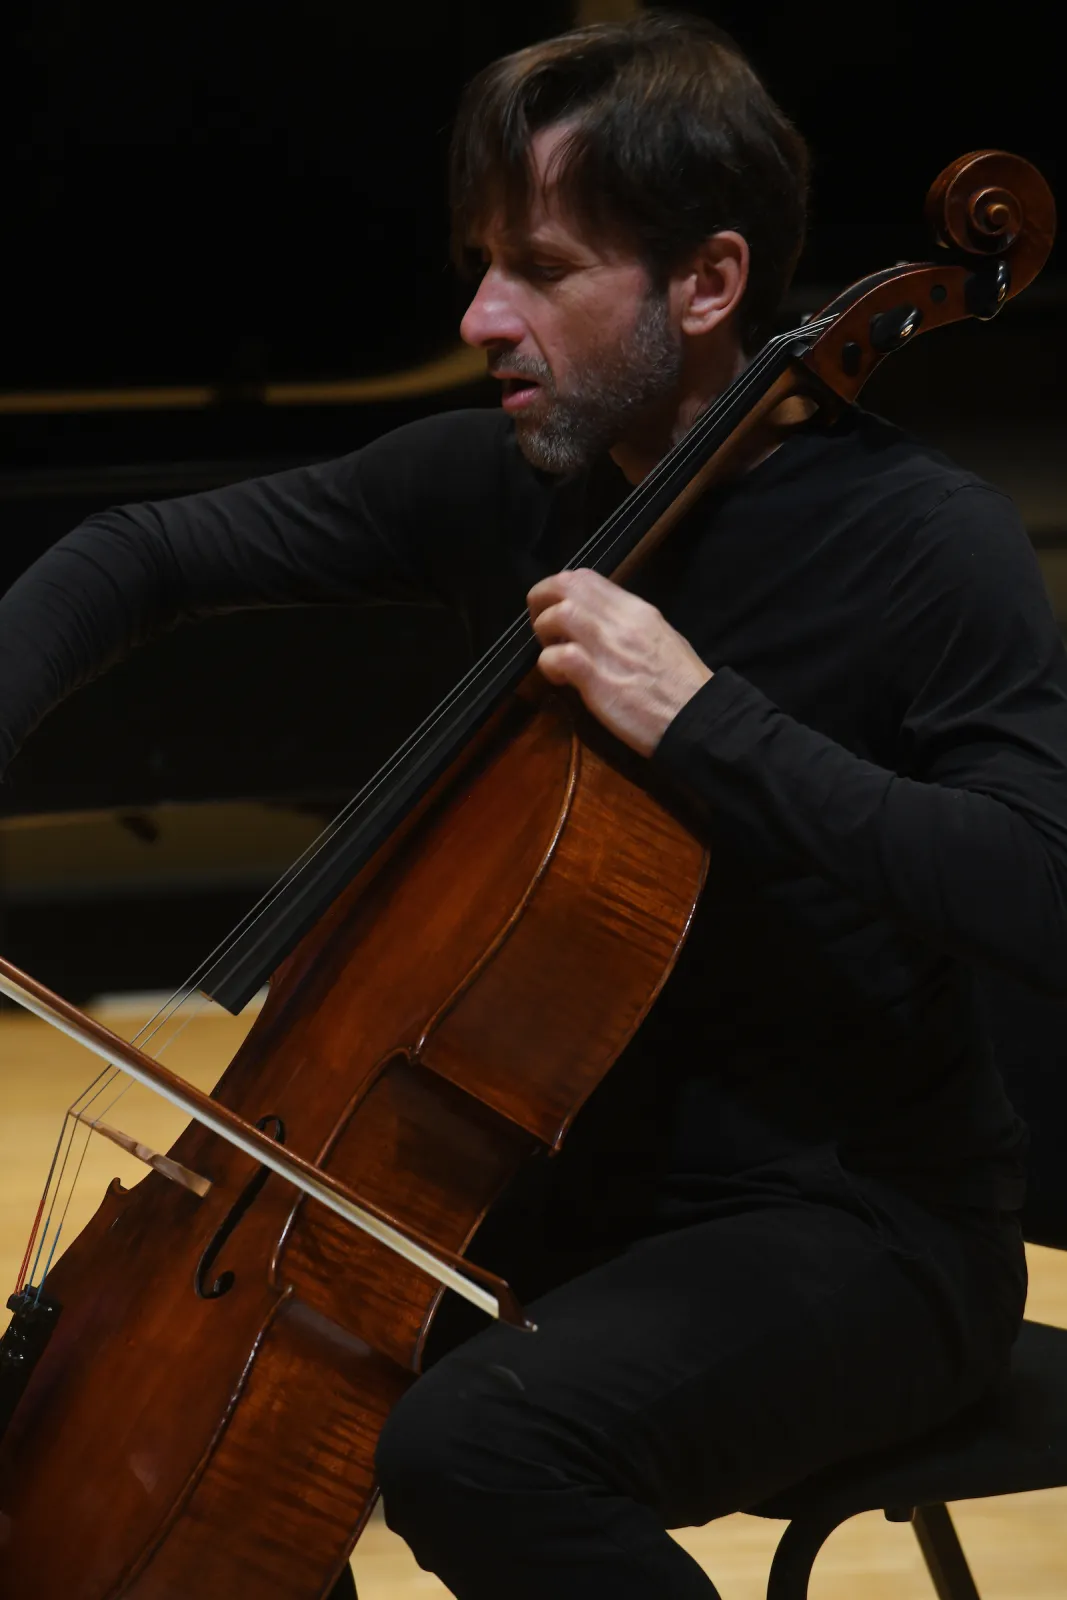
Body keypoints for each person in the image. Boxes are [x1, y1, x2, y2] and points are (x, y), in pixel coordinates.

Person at [1, 15, 1063, 1599]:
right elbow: (134, 558)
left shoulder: (921, 546)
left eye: (540, 269)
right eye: (479, 259)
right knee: (78, 1392)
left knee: (478, 1449)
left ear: (705, 287)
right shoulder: (506, 483)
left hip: (857, 1238)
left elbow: (1036, 888)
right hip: (548, 1204)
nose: (479, 317)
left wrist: (703, 719)